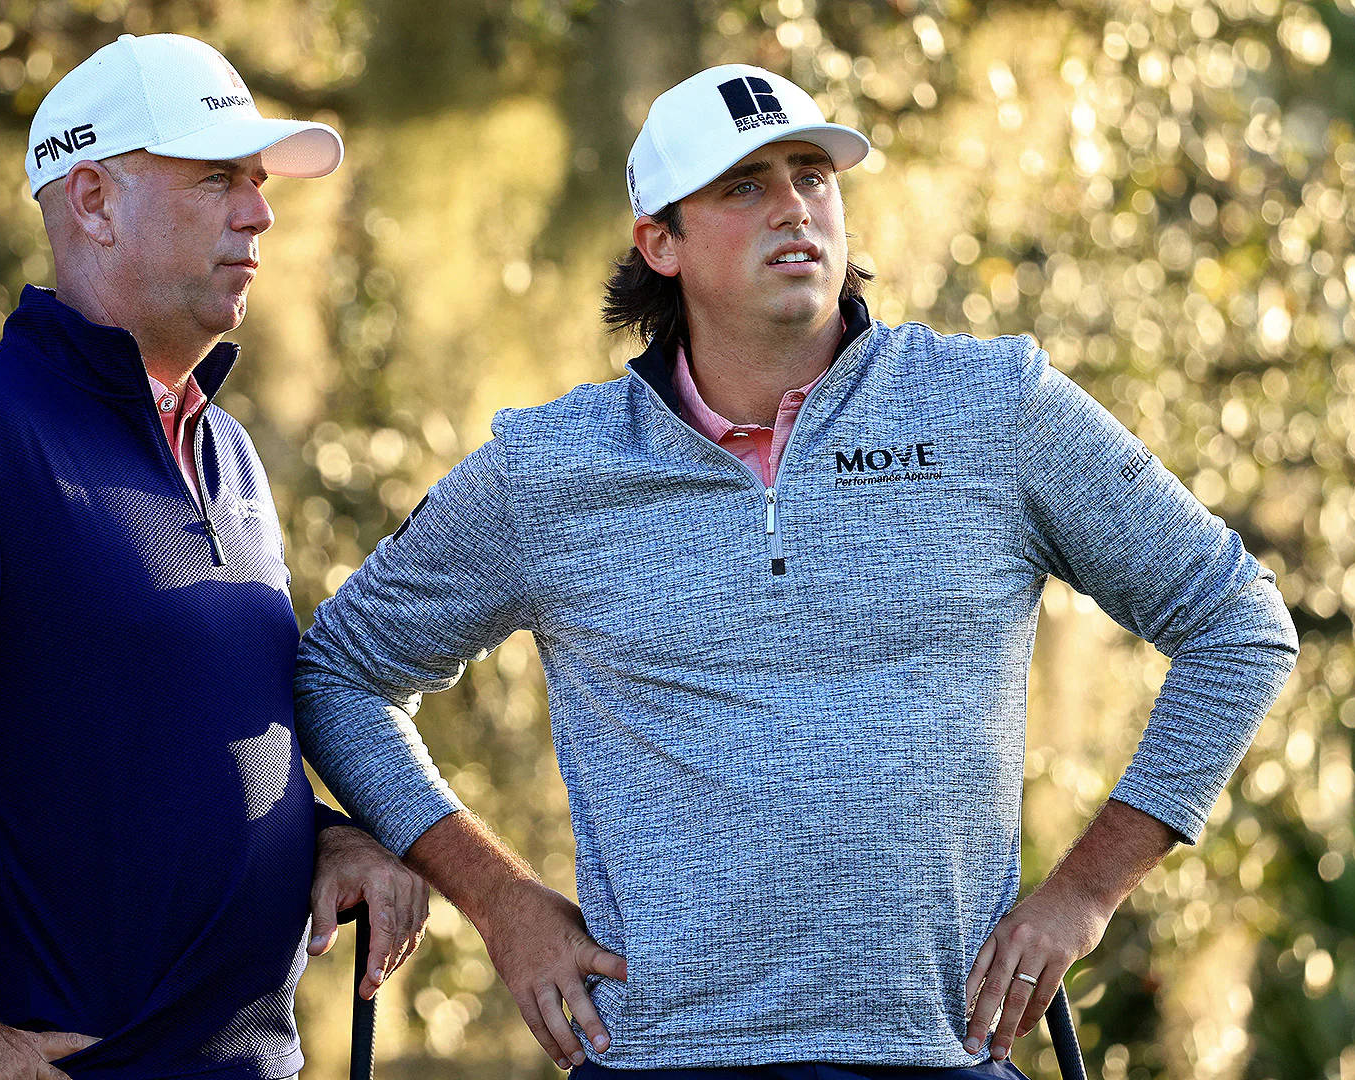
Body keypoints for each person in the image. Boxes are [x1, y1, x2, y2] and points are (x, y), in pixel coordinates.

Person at [294, 63, 1297, 1077]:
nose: (794, 210)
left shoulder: (995, 409)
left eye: (813, 175)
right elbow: (340, 673)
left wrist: (1085, 891)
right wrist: (500, 901)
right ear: (661, 241)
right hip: (661, 1059)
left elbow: (1237, 622)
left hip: (944, 1054)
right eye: (744, 187)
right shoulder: (550, 468)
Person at [0, 34, 427, 1080]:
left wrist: (325, 838)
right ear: (92, 201)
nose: (261, 212)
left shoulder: (225, 448)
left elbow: (153, 742)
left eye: (260, 180)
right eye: (218, 178)